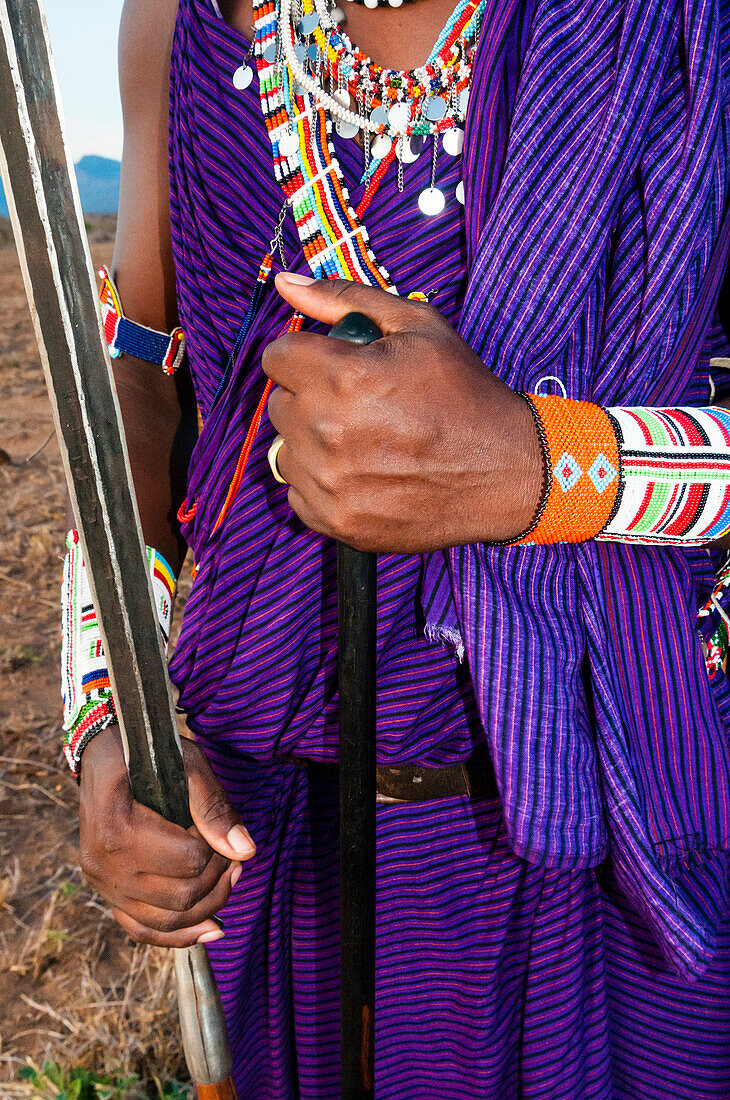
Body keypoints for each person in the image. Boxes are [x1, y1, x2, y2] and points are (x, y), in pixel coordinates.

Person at [63, 0, 730, 1093]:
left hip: (616, 831)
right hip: (271, 837)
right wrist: (108, 708)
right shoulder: (176, 21)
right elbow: (142, 371)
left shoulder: (675, 31)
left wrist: (537, 465)